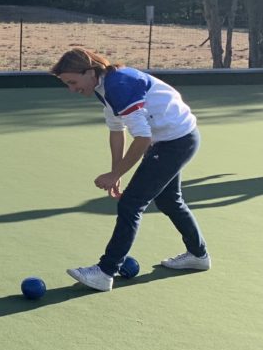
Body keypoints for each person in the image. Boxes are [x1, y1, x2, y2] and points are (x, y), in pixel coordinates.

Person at [51, 47, 210, 291]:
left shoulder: (119, 86)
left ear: (90, 72)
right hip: (172, 138)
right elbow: (117, 130)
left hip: (175, 141)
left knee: (131, 204)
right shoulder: (104, 86)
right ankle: (198, 255)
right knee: (169, 200)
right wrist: (116, 173)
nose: (72, 89)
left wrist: (116, 174)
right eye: (67, 85)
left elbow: (143, 139)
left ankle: (105, 272)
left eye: (73, 82)